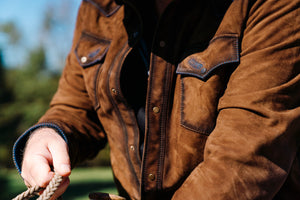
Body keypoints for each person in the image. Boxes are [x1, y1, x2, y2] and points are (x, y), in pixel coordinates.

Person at [13, 0, 300, 199]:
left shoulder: (269, 6)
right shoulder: (96, 9)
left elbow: (247, 153)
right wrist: (48, 133)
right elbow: (76, 104)